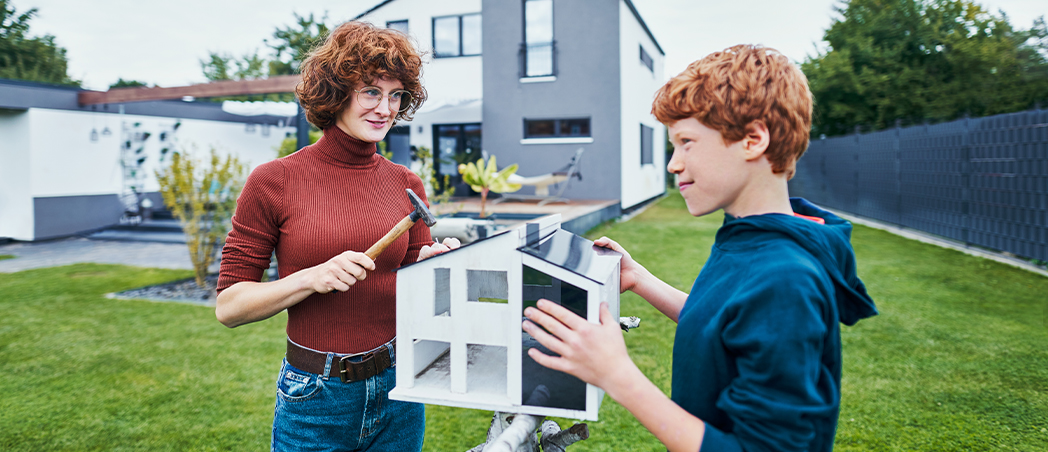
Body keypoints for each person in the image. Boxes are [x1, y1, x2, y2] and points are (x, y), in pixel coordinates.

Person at [521, 44, 878, 452]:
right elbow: (724, 325)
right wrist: (640, 280)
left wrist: (618, 376)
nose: (673, 163)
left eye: (686, 142)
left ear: (753, 139)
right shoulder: (749, 235)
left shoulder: (787, 279)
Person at [215, 21, 457, 451]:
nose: (385, 108)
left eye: (395, 94)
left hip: (400, 388)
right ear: (336, 92)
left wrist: (436, 266)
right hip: (315, 397)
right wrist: (310, 277)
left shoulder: (405, 183)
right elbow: (230, 308)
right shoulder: (274, 181)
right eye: (371, 92)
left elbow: (420, 294)